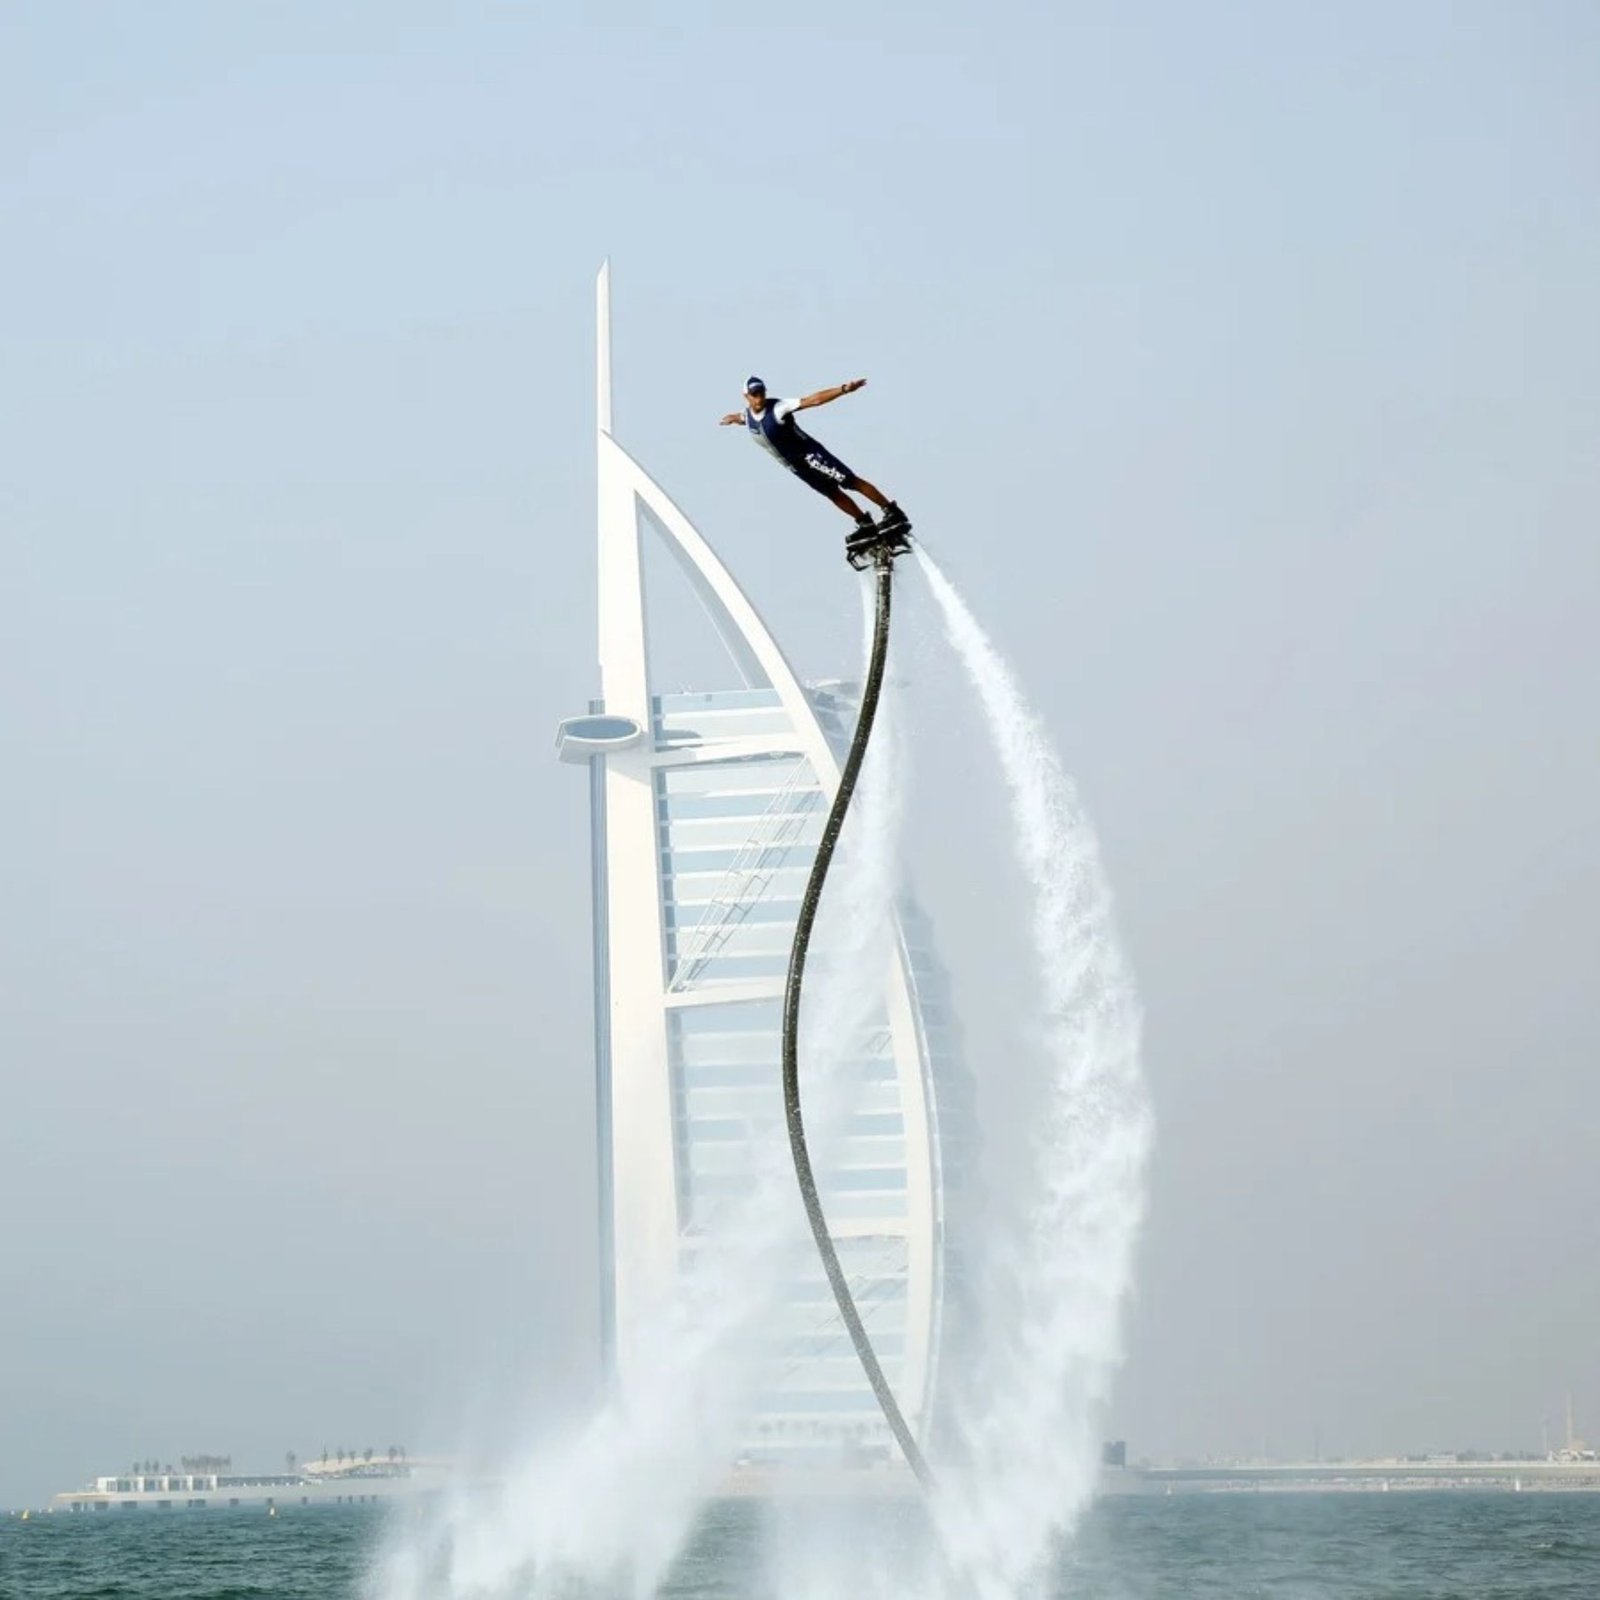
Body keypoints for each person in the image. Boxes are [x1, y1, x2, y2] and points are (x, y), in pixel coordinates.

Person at [720, 377, 909, 546]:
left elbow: (813, 400)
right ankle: (864, 523)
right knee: (832, 493)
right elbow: (743, 418)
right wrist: (732, 418)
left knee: (849, 481)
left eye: (761, 392)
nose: (758, 397)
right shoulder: (748, 415)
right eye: (754, 394)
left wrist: (843, 389)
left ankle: (892, 511)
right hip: (796, 467)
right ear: (746, 396)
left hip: (810, 455)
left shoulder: (778, 408)